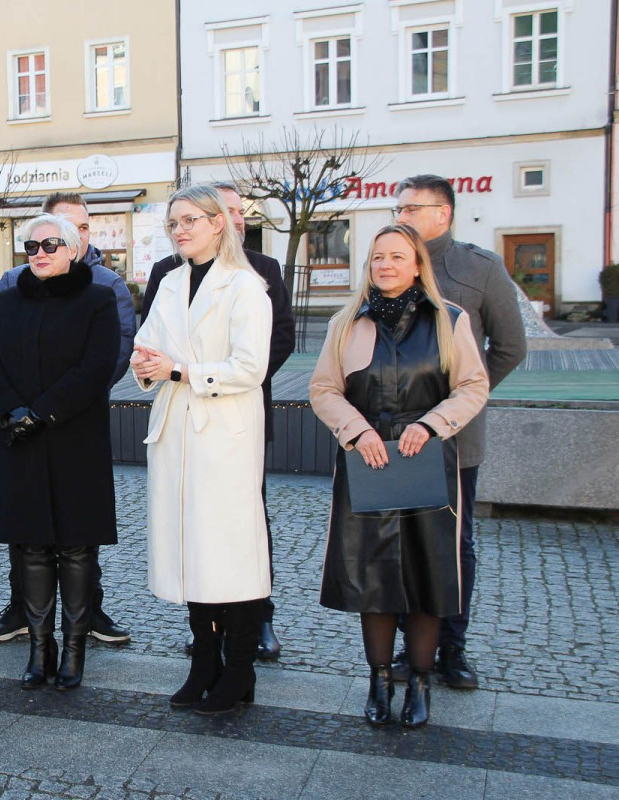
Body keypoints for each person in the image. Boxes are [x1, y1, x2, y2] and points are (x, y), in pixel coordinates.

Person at [310, 223, 489, 727]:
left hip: (425, 460)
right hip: (367, 460)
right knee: (375, 577)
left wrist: (432, 424)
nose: (385, 265)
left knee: (428, 574)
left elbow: (472, 386)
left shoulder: (449, 319)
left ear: (416, 265)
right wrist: (356, 430)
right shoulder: (347, 322)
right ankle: (379, 680)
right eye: (377, 257)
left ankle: (420, 682)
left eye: (396, 256)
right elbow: (324, 389)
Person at [132, 185, 272, 715]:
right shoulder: (170, 281)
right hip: (177, 430)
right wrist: (146, 365)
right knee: (191, 550)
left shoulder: (245, 286)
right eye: (174, 223)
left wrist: (182, 371)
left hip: (225, 434)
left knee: (231, 554)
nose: (180, 230)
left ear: (219, 223)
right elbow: (148, 344)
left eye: (190, 219)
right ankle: (204, 663)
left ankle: (240, 668)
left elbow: (250, 367)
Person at [390, 175, 527, 689]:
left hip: (454, 439)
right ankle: (409, 645)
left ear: (442, 213)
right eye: (398, 208)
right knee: (402, 541)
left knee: (453, 543)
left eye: (410, 208)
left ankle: (452, 646)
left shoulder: (479, 268)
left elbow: (510, 347)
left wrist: (462, 399)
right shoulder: (389, 261)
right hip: (395, 434)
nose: (401, 216)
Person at [0, 191, 136, 647]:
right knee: (29, 537)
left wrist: (50, 408)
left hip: (75, 427)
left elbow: (107, 360)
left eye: (54, 243)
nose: (41, 251)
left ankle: (82, 627)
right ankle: (31, 628)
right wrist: (13, 411)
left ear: (75, 245)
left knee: (77, 538)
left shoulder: (104, 290)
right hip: (21, 433)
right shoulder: (10, 291)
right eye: (34, 244)